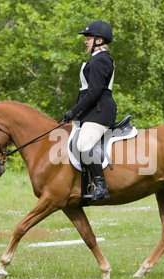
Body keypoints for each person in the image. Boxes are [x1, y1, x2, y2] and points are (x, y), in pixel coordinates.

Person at [63, 20, 117, 202]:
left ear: (99, 40)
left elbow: (94, 93)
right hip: (92, 112)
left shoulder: (101, 60)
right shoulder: (96, 60)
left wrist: (73, 111)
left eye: (88, 38)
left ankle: (101, 187)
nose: (85, 42)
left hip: (100, 113)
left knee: (84, 145)